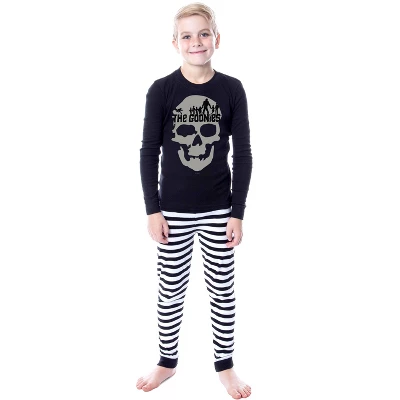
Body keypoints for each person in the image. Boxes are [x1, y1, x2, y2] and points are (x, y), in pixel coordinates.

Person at [137, 2, 253, 398]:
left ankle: (225, 366)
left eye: (203, 33)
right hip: (172, 210)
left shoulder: (232, 89)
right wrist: (153, 210)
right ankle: (167, 361)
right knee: (170, 290)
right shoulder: (162, 90)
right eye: (186, 35)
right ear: (175, 43)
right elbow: (148, 151)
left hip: (220, 209)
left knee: (222, 290)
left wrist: (237, 213)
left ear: (217, 38)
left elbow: (244, 154)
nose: (196, 42)